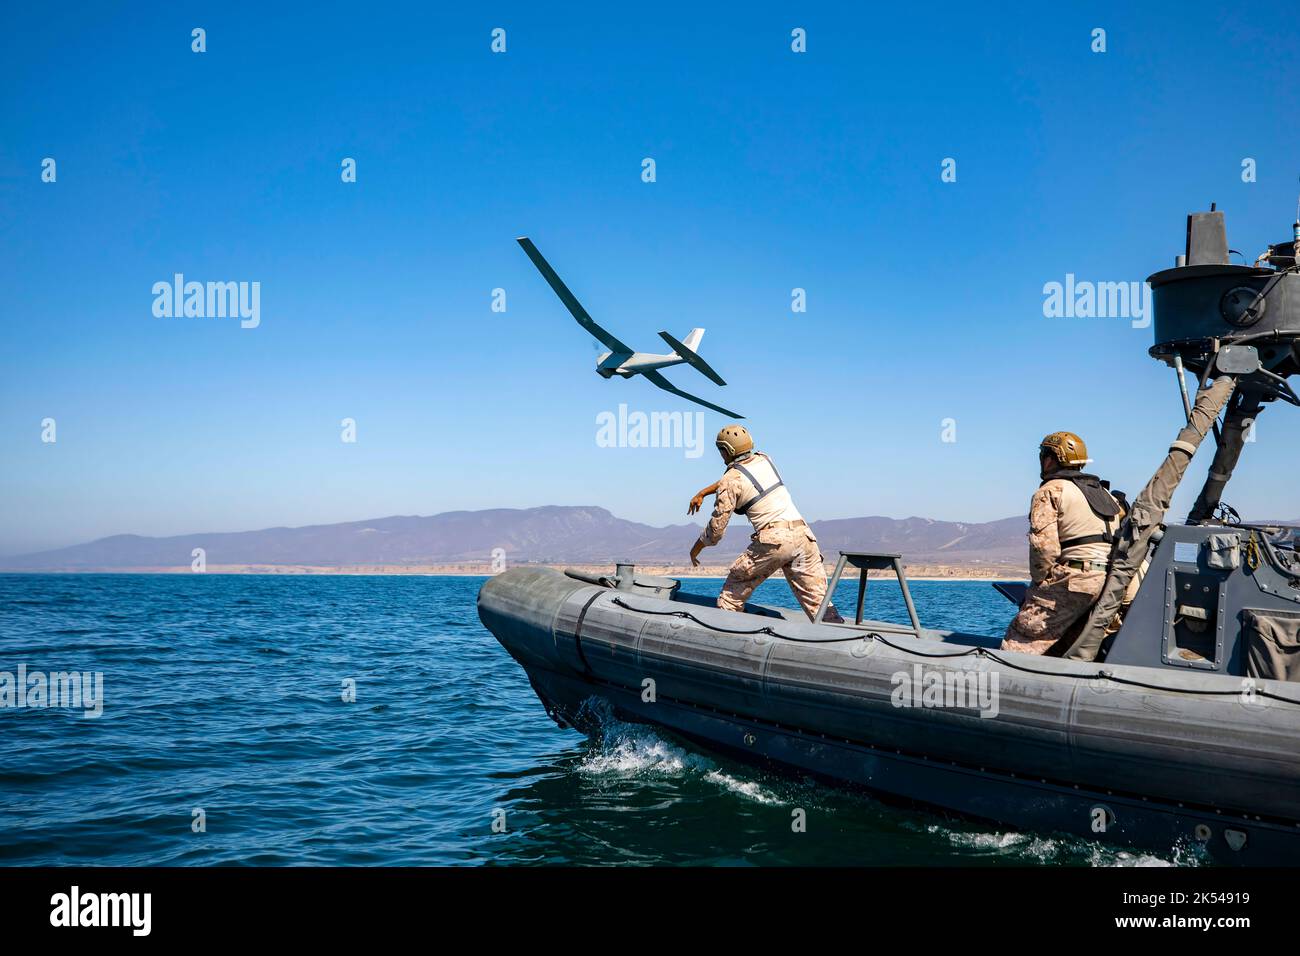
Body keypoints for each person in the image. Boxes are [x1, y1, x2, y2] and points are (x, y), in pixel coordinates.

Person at [688, 425, 844, 623]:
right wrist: (703, 492)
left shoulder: (731, 480)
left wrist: (696, 549)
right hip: (803, 538)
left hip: (774, 542)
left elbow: (716, 531)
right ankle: (838, 635)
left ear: (726, 451)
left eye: (720, 450)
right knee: (818, 602)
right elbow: (735, 478)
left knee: (731, 595)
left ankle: (725, 640)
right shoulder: (765, 459)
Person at [1001, 431, 1123, 655]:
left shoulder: (1051, 490)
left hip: (1073, 579)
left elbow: (1043, 547)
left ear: (1051, 458)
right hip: (1108, 580)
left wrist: (1040, 583)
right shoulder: (1105, 494)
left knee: (1022, 639)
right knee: (1070, 641)